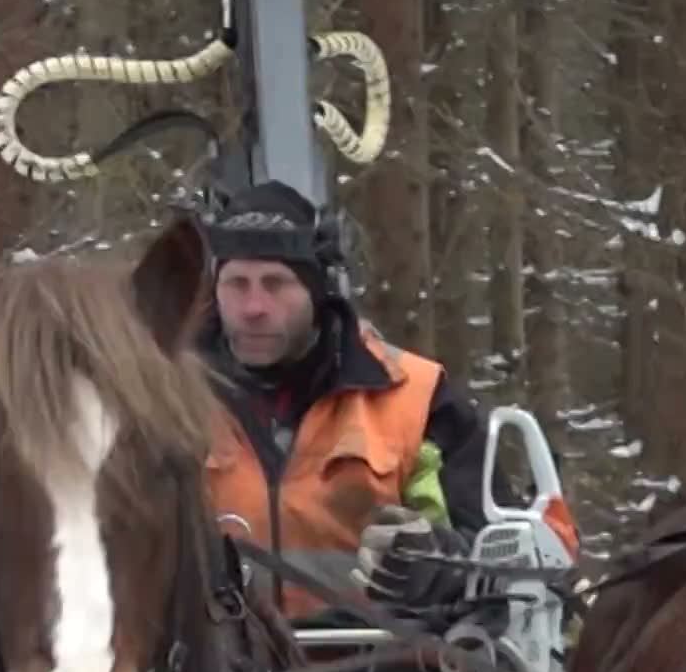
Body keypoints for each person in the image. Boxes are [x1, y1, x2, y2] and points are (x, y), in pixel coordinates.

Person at [197, 179, 578, 623]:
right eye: (236, 284)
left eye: (276, 283)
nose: (253, 307)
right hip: (216, 661)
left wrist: (439, 565)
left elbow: (519, 557)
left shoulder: (413, 397)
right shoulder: (166, 402)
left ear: (318, 291)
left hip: (385, 660)